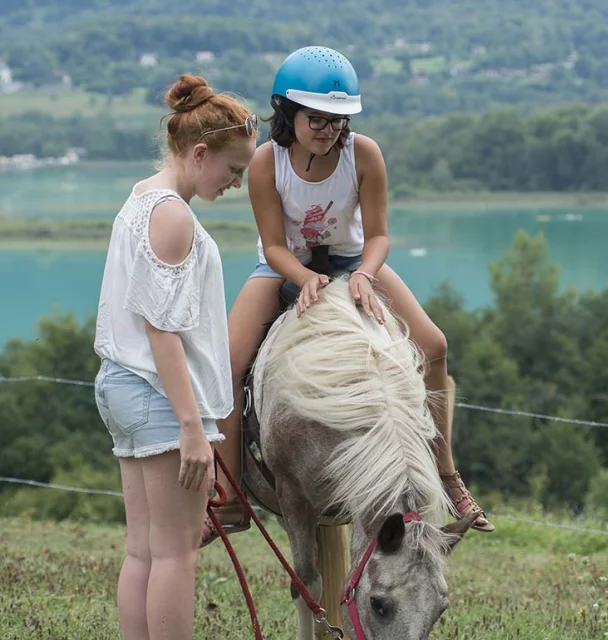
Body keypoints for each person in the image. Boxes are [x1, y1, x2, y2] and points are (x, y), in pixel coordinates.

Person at [203, 46, 493, 546]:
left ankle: (447, 475)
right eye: (317, 119)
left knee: (435, 345)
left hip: (354, 260)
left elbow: (378, 233)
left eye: (338, 121)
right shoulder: (264, 163)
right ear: (287, 111)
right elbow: (273, 244)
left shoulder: (363, 153)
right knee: (226, 361)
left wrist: (364, 272)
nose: (329, 130)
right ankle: (230, 499)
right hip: (283, 263)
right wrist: (303, 275)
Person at [93, 73, 257, 639]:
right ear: (200, 152)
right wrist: (194, 428)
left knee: (144, 548)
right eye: (233, 170)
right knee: (175, 553)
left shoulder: (143, 196)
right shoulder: (174, 216)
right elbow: (161, 331)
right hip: (157, 393)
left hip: (123, 386)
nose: (237, 183)